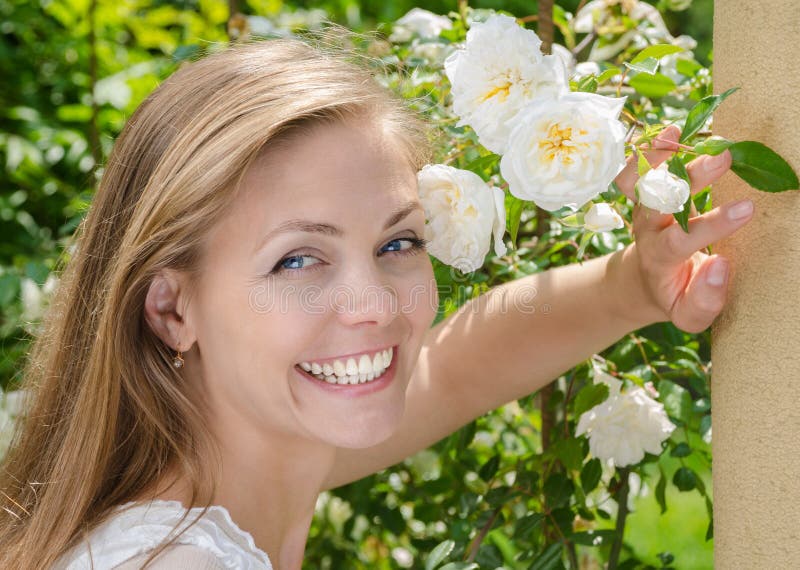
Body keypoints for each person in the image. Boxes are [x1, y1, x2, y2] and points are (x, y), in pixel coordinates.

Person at [0, 34, 753, 570]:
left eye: (398, 243)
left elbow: (460, 368)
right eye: (298, 259)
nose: (377, 308)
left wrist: (637, 284)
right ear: (171, 309)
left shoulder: (248, 456)